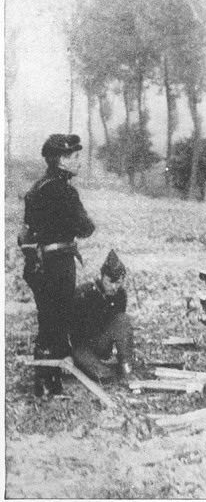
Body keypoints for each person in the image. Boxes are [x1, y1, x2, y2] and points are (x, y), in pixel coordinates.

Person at [19, 133, 95, 396]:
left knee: (47, 319)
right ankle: (49, 381)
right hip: (59, 263)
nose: (79, 161)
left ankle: (46, 379)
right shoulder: (65, 191)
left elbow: (27, 231)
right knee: (58, 320)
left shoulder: (36, 189)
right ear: (61, 160)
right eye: (75, 156)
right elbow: (86, 228)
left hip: (37, 264)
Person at [70, 249, 133, 381]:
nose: (114, 287)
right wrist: (66, 354)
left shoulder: (120, 296)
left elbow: (118, 326)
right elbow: (67, 327)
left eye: (118, 282)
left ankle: (125, 365)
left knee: (123, 320)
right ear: (102, 276)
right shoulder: (85, 294)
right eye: (110, 282)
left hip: (101, 343)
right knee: (104, 375)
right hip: (82, 348)